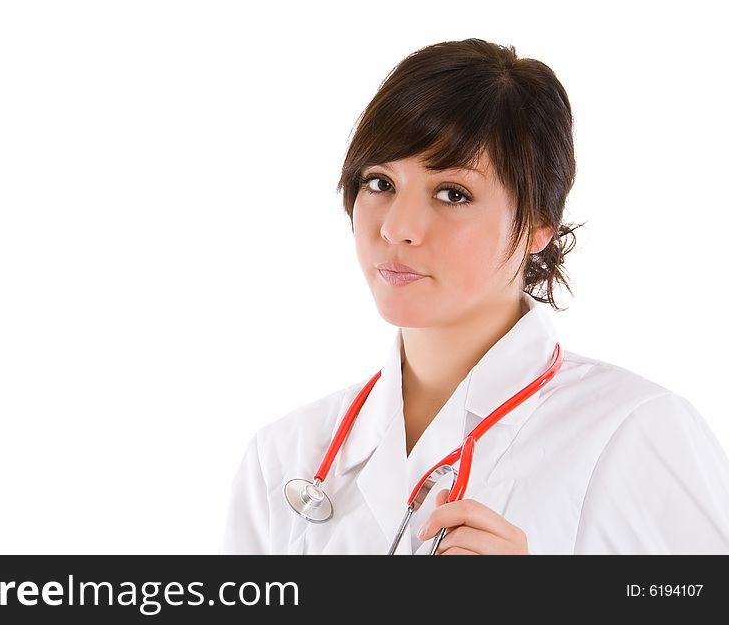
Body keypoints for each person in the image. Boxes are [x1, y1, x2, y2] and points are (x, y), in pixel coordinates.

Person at [220, 38, 729, 554]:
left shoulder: (635, 431)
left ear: (537, 226)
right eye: (379, 183)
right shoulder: (284, 457)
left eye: (453, 193)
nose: (398, 228)